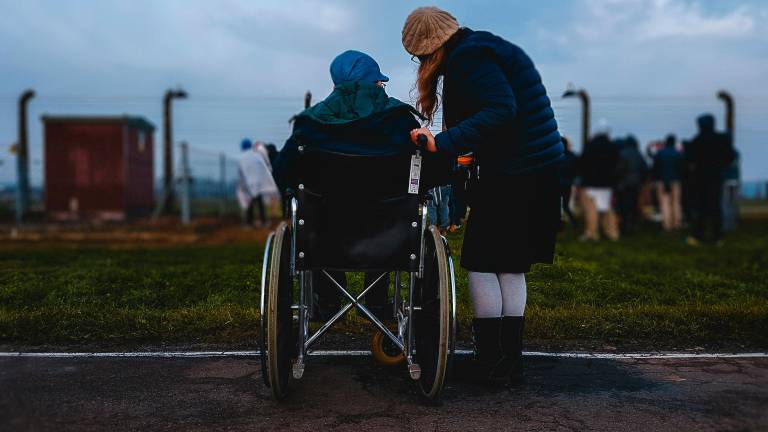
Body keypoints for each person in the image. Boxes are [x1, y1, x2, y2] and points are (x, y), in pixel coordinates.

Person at [402, 6, 564, 386]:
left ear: (431, 49)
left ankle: (490, 358)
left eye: (420, 56)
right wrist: (471, 150)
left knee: (480, 260)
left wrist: (441, 143)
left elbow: (500, 109)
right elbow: (505, 113)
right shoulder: (484, 48)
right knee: (509, 263)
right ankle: (509, 360)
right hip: (535, 169)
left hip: (516, 172)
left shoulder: (469, 59)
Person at [274, 50, 449, 321]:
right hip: (388, 236)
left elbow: (283, 172)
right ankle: (377, 303)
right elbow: (432, 174)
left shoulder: (310, 124)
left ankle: (329, 301)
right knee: (384, 214)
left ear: (335, 85)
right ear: (377, 84)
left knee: (319, 216)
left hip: (323, 236)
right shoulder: (400, 120)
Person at [686, 114, 735, 245]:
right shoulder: (721, 140)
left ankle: (697, 236)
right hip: (716, 177)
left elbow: (689, 159)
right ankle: (717, 236)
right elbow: (730, 156)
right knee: (715, 207)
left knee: (701, 207)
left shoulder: (697, 140)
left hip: (700, 178)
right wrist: (721, 166)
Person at [578, 122, 620, 241]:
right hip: (607, 183)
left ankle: (592, 233)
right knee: (607, 208)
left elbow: (582, 163)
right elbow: (617, 164)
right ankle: (612, 232)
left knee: (591, 209)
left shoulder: (590, 145)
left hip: (591, 182)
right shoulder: (612, 146)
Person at [237, 138, 278, 227]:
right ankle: (264, 222)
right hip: (258, 183)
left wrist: (242, 186)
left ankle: (248, 223)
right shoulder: (256, 155)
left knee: (250, 204)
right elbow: (265, 167)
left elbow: (241, 174)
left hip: (249, 184)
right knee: (260, 203)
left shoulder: (241, 158)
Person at [614, 135, 648, 234]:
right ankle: (631, 224)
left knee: (623, 205)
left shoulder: (622, 153)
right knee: (632, 204)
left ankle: (625, 225)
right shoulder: (639, 154)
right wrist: (642, 181)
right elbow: (645, 169)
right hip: (636, 184)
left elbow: (618, 170)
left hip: (623, 185)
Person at [652, 135, 684, 231]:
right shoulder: (678, 154)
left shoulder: (659, 153)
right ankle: (677, 223)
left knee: (664, 203)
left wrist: (655, 179)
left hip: (662, 181)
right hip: (676, 180)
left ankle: (667, 225)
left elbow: (655, 168)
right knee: (676, 203)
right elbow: (682, 168)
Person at [559, 136, 578, 227]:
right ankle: (574, 223)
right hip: (568, 184)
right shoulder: (572, 156)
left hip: (556, 184)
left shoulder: (555, 156)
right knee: (566, 206)